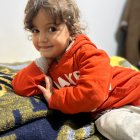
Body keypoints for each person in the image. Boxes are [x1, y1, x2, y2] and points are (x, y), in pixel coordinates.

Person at [12, 0, 140, 139]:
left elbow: (92, 95)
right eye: (35, 30)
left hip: (132, 92)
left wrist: (55, 98)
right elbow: (20, 86)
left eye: (52, 29)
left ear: (71, 28)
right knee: (109, 125)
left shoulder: (87, 53)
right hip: (109, 110)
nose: (42, 38)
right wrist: (42, 62)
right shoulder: (49, 67)